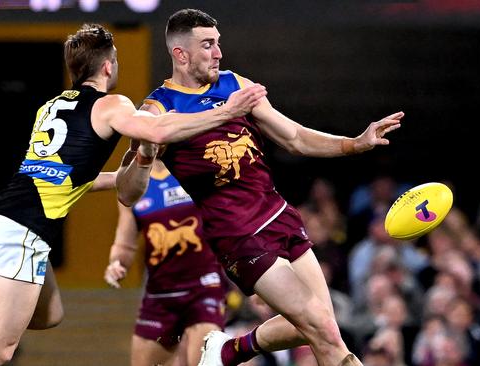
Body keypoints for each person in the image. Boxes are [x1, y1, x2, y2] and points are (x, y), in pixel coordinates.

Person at [0, 23, 266, 365]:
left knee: (49, 314)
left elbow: (72, 180)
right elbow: (156, 131)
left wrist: (130, 172)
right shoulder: (111, 104)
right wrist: (227, 111)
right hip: (26, 229)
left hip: (8, 216)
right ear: (108, 67)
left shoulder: (51, 107)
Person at [141, 9, 404, 366]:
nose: (218, 52)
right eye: (208, 45)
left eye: (218, 43)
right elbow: (142, 158)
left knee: (321, 325)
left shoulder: (235, 84)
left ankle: (227, 350)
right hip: (236, 233)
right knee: (324, 330)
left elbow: (293, 136)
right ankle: (226, 351)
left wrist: (352, 143)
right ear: (180, 54)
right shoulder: (159, 107)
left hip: (278, 214)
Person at [104, 159, 226, 366]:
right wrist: (117, 264)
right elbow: (125, 244)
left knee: (203, 361)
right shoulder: (132, 183)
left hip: (204, 287)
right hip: (159, 294)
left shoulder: (197, 167)